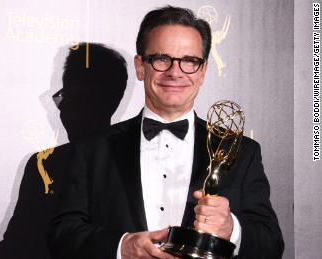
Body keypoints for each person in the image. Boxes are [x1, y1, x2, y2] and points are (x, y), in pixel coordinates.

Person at [47, 5, 284, 259]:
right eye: (161, 59)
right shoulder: (90, 149)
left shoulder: (241, 151)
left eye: (190, 61)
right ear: (141, 67)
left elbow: (270, 246)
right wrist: (122, 247)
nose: (175, 72)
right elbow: (62, 236)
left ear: (203, 72)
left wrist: (231, 229)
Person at [0, 43, 128, 258]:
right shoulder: (136, 159)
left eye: (64, 95)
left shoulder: (46, 164)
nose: (60, 108)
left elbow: (12, 250)